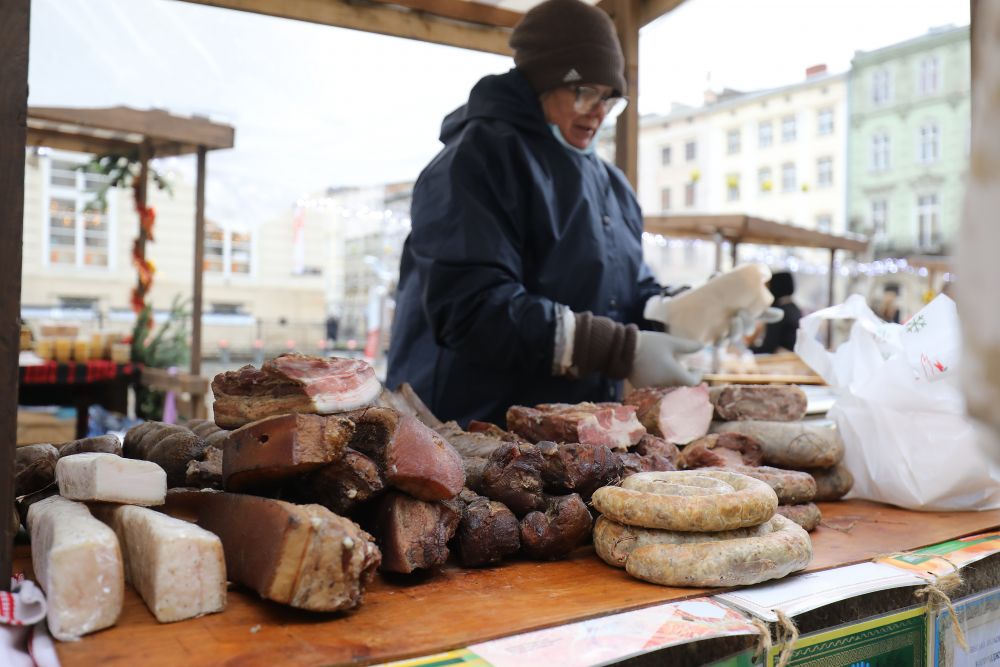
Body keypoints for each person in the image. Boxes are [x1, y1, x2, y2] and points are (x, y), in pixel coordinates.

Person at [386, 0, 778, 426]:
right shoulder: (477, 160)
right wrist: (621, 351)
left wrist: (687, 309)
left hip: (576, 433)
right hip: (469, 426)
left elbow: (625, 294)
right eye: (584, 91)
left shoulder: (611, 184)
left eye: (610, 99)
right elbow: (472, 308)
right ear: (540, 81)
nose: (598, 111)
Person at [750, 271, 801, 354]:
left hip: (782, 361)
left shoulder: (778, 313)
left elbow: (769, 347)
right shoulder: (794, 308)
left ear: (775, 286)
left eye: (768, 286)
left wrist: (747, 350)